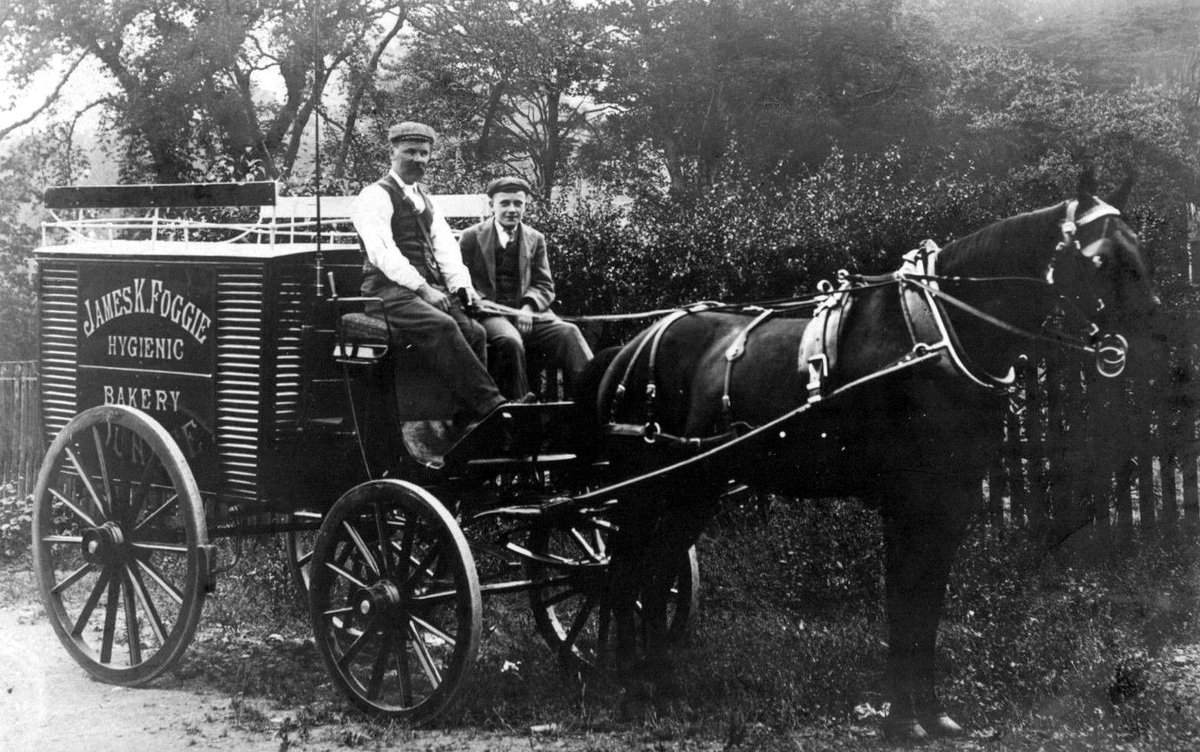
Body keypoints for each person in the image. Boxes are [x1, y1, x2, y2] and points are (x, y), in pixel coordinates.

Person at [350, 121, 506, 433]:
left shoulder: (426, 200)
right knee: (443, 325)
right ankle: (492, 407)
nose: (418, 159)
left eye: (424, 153)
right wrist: (423, 289)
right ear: (392, 153)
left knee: (474, 331)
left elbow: (446, 248)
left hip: (420, 289)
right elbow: (383, 253)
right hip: (385, 291)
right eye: (410, 152)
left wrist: (463, 286)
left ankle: (465, 419)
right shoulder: (374, 196)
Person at [459, 176, 594, 399]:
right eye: (505, 203)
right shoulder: (471, 237)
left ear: (525, 206)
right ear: (491, 204)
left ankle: (593, 394)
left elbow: (544, 284)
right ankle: (521, 406)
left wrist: (528, 307)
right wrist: (483, 303)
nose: (512, 209)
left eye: (518, 203)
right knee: (511, 341)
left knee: (569, 332)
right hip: (491, 314)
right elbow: (462, 282)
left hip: (528, 313)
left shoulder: (535, 238)